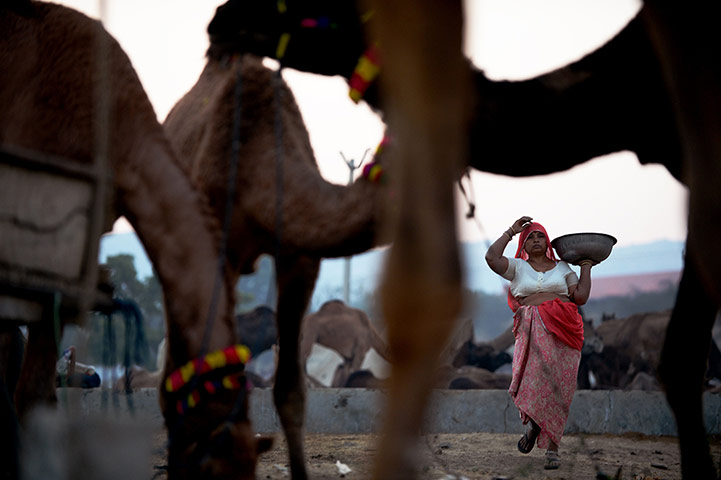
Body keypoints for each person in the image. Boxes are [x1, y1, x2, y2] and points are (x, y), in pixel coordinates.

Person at [485, 215, 592, 470]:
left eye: (540, 235)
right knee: (533, 381)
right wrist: (511, 230)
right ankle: (534, 423)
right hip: (532, 329)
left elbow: (580, 297)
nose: (535, 240)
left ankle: (553, 448)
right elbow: (491, 258)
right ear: (523, 244)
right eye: (530, 236)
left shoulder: (563, 268)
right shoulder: (516, 267)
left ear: (548, 242)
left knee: (560, 389)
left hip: (565, 331)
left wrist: (587, 265)